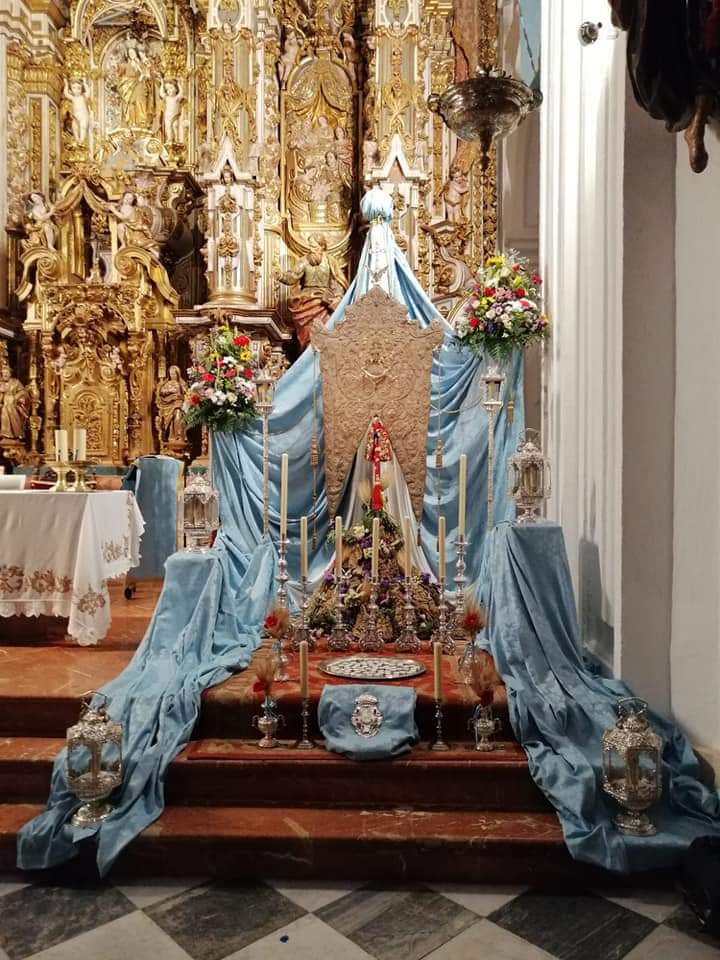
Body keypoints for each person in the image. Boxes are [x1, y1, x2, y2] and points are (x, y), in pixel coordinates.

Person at [278, 236, 347, 349]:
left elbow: (338, 280)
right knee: (308, 334)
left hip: (324, 303)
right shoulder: (304, 260)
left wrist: (338, 296)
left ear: (322, 246)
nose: (311, 249)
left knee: (324, 333)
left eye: (314, 246)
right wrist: (281, 276)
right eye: (310, 246)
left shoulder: (331, 261)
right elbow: (293, 277)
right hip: (307, 301)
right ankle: (307, 354)